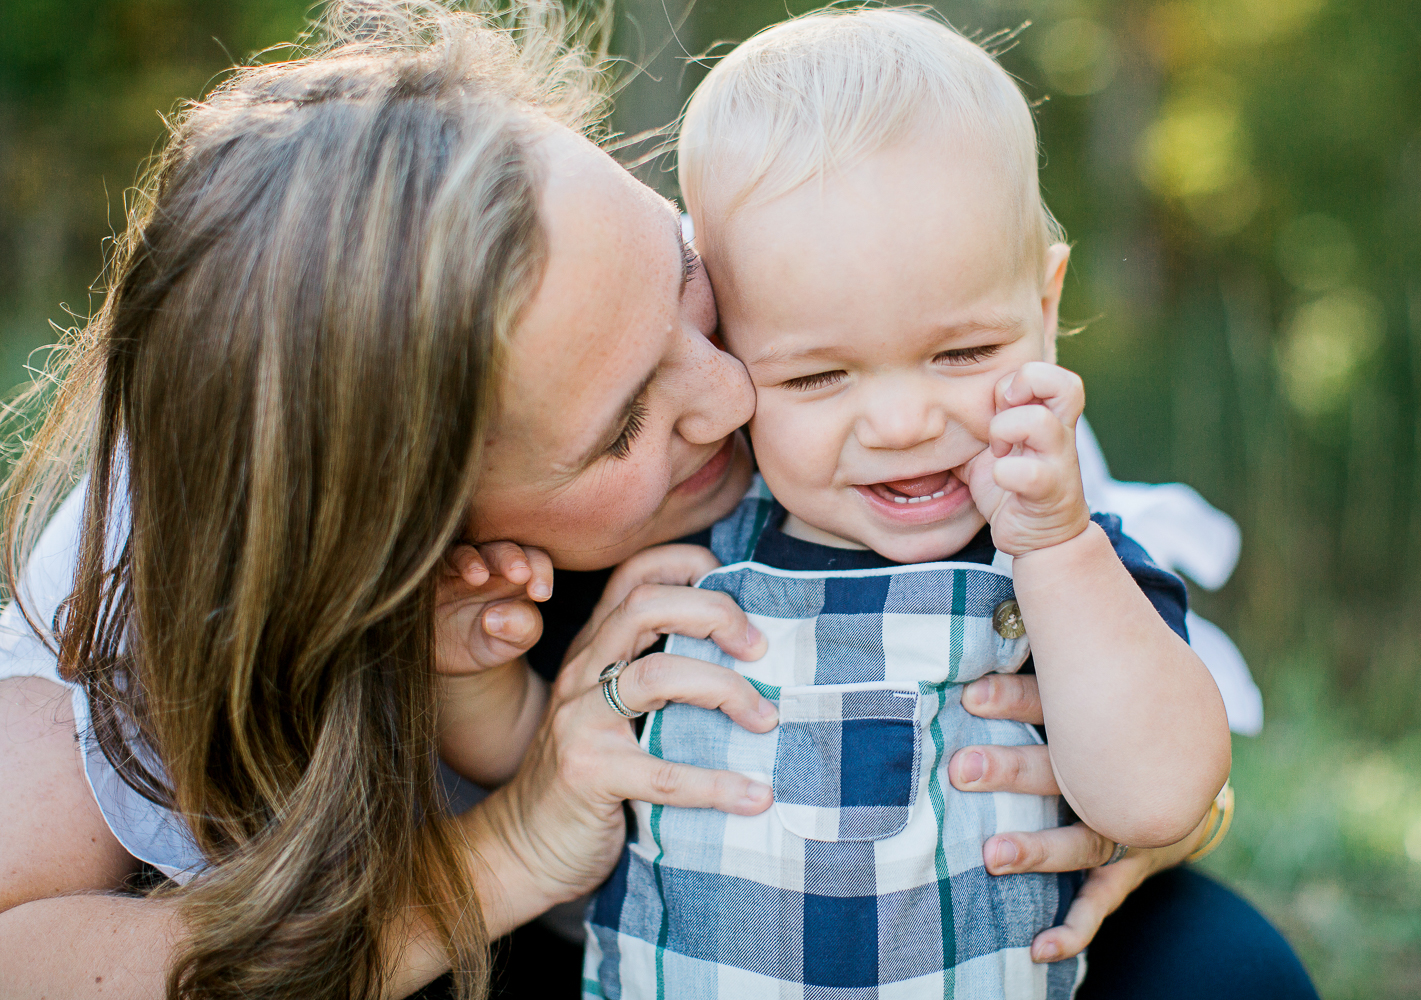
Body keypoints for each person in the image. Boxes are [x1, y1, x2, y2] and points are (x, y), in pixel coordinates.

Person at [0, 3, 1315, 999]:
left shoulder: (844, 392)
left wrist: (1140, 793)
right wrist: (500, 852)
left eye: (689, 286)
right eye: (628, 417)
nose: (737, 397)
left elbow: (1111, 615)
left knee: (1222, 967)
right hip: (508, 943)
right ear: (417, 541)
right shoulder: (150, 584)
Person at [580, 11, 1228, 997]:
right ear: (728, 352)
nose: (900, 420)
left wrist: (1057, 550)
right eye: (818, 376)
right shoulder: (693, 556)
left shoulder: (1063, 567)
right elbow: (549, 767)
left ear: (1045, 309)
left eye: (963, 354)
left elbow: (1158, 795)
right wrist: (472, 683)